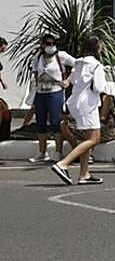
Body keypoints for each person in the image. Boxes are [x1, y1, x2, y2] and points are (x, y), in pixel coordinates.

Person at [50, 35, 107, 186]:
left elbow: (74, 81)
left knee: (87, 139)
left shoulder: (78, 62)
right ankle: (64, 163)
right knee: (94, 139)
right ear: (97, 48)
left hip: (75, 102)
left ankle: (84, 174)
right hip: (88, 104)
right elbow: (100, 87)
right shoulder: (96, 65)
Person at [26, 33, 75, 164]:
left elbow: (78, 65)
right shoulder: (37, 58)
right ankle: (42, 152)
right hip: (41, 93)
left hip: (55, 92)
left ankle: (58, 152)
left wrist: (68, 80)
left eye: (53, 44)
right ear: (42, 45)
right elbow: (35, 73)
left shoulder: (61, 56)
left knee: (55, 121)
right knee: (40, 122)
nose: (51, 46)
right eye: (48, 43)